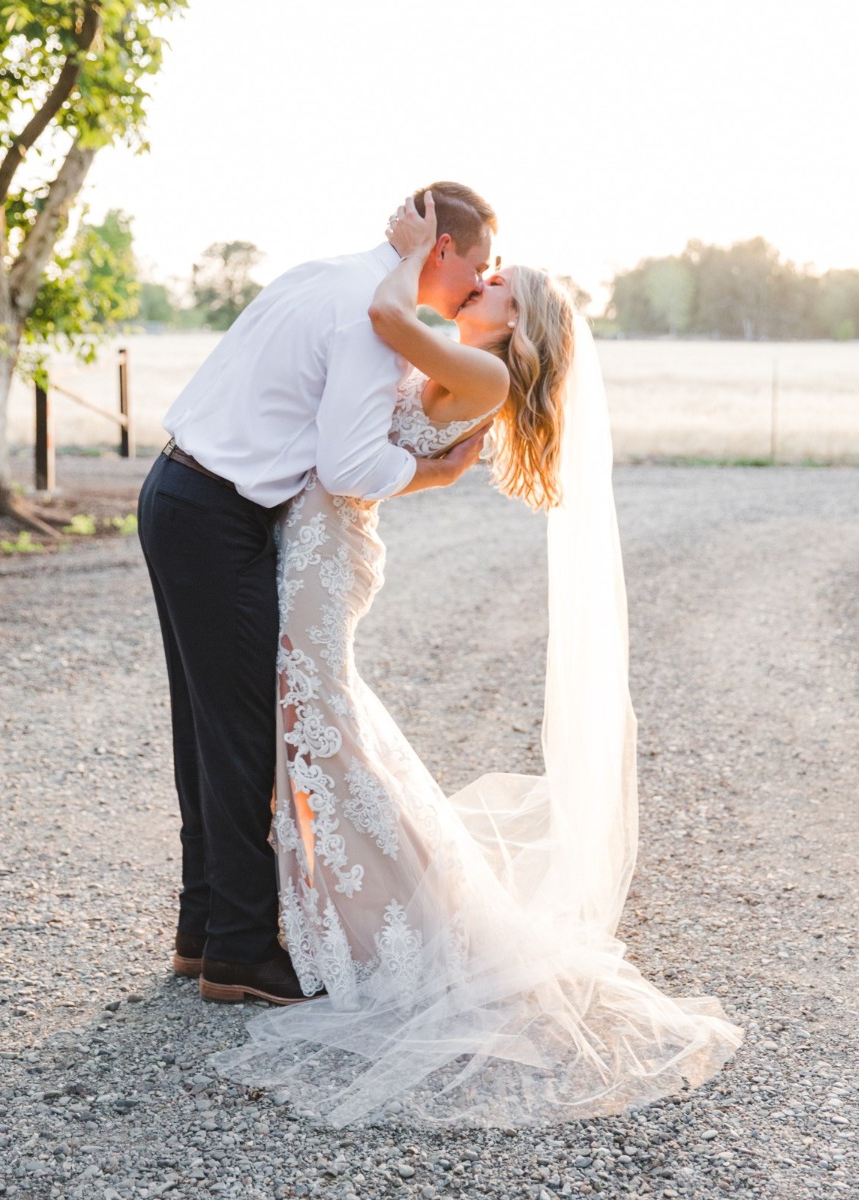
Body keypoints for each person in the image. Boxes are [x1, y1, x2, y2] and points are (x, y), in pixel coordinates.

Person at [210, 195, 742, 1126]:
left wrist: (412, 251)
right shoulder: (462, 359)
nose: (480, 284)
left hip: (329, 548)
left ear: (518, 324)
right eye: (484, 273)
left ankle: (375, 933)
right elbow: (382, 363)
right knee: (315, 713)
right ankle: (324, 916)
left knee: (317, 713)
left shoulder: (481, 378)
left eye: (496, 285)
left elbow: (384, 316)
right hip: (324, 538)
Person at [138, 183, 498, 1005]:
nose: (479, 285)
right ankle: (237, 953)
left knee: (203, 727)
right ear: (440, 250)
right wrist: (434, 473)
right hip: (219, 515)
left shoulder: (325, 274)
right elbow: (348, 467)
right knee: (237, 735)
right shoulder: (372, 328)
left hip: (176, 491)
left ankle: (202, 931)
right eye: (476, 268)